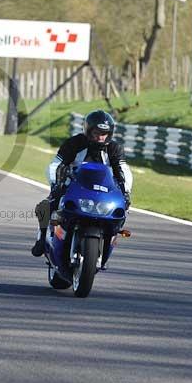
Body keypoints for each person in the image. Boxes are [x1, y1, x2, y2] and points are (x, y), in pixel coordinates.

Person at [31, 110, 133, 269]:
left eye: (104, 133)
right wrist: (56, 184)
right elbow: (55, 165)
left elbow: (123, 170)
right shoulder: (74, 143)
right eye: (96, 132)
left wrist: (126, 192)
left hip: (103, 191)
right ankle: (41, 238)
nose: (100, 136)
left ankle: (110, 238)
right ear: (88, 130)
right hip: (74, 185)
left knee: (121, 211)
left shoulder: (114, 148)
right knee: (45, 206)